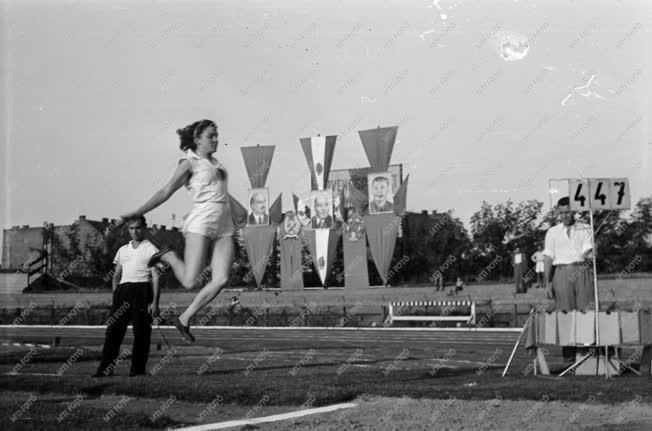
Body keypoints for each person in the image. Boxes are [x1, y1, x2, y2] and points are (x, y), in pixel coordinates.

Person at [111, 119, 235, 343]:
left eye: (217, 135)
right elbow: (166, 190)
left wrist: (240, 209)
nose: (216, 139)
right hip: (202, 221)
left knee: (222, 279)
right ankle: (168, 255)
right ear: (197, 139)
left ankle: (185, 319)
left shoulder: (217, 163)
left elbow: (222, 193)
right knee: (190, 281)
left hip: (224, 222)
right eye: (211, 136)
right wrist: (135, 212)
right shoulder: (190, 163)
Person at [93, 216, 160, 377]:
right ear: (127, 230)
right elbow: (116, 275)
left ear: (144, 228)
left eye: (138, 228)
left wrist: (155, 302)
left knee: (141, 332)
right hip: (123, 291)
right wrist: (116, 293)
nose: (135, 231)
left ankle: (137, 370)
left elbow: (156, 277)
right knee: (113, 332)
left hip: (142, 290)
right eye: (131, 228)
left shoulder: (151, 249)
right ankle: (105, 370)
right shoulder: (123, 250)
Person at [543, 196, 594, 364]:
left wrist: (591, 253)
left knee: (585, 312)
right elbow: (548, 258)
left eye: (568, 212)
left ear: (574, 211)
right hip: (561, 272)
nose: (565, 215)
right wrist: (547, 283)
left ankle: (585, 354)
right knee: (565, 313)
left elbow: (588, 251)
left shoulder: (586, 228)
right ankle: (568, 357)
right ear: (558, 213)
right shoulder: (552, 232)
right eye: (561, 212)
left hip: (581, 271)